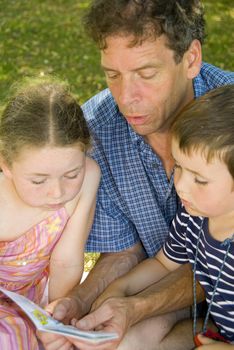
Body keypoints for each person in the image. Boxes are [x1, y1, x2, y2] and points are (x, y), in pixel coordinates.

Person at [39, 1, 234, 349]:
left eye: (146, 74)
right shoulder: (96, 132)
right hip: (169, 291)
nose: (126, 98)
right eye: (112, 75)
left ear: (190, 59)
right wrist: (81, 302)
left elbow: (215, 262)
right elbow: (123, 252)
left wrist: (135, 305)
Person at [70, 84, 234, 349]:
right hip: (216, 330)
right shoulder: (194, 217)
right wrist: (120, 290)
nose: (180, 185)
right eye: (179, 167)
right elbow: (163, 264)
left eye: (199, 180)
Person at [0, 77, 100, 349]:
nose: (57, 193)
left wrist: (57, 320)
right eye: (38, 180)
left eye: (71, 174)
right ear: (5, 164)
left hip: (33, 300)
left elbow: (66, 262)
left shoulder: (89, 177)